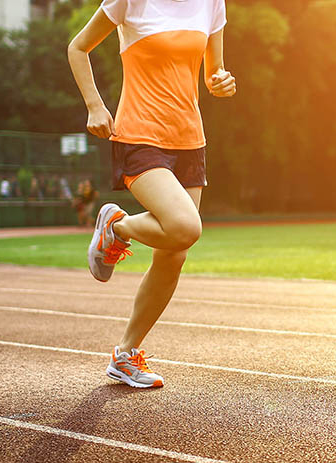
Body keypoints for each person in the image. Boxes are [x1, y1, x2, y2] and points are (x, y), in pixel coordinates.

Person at [68, 0, 234, 388]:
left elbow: (214, 74)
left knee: (173, 254)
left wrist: (221, 83)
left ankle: (125, 355)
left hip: (190, 141)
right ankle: (118, 226)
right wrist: (95, 105)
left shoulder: (211, 3)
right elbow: (77, 47)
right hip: (140, 137)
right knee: (184, 227)